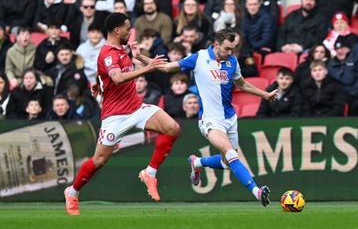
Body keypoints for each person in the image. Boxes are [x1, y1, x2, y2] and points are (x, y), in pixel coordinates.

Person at [64, 13, 180, 215]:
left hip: (135, 107)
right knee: (99, 160)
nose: (131, 31)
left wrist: (99, 84)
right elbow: (117, 78)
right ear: (117, 30)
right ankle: (72, 192)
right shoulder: (108, 52)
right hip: (115, 116)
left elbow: (106, 76)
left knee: (172, 128)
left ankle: (149, 173)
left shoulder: (121, 50)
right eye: (128, 28)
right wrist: (147, 68)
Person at [162, 28, 277, 206]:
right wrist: (141, 59)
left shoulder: (232, 62)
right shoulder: (199, 58)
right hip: (209, 120)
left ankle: (197, 162)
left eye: (233, 48)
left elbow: (242, 84)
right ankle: (257, 191)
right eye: (227, 48)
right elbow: (168, 67)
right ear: (216, 45)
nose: (230, 52)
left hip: (229, 119)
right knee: (231, 154)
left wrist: (264, 94)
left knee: (227, 162)